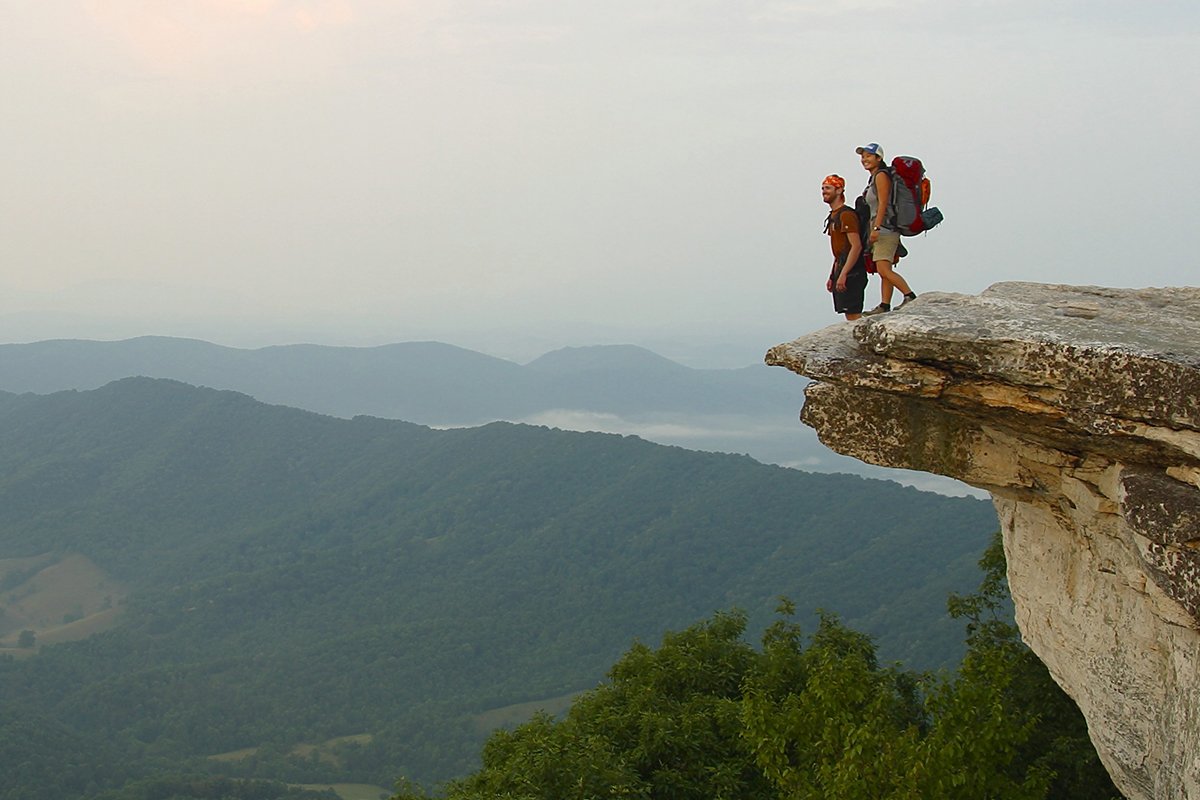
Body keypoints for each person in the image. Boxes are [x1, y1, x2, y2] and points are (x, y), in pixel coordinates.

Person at [856, 143, 916, 315]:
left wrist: (876, 227)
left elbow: (883, 203)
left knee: (883, 269)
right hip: (883, 228)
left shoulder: (881, 176)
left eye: (868, 156)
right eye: (863, 156)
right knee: (884, 268)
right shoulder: (875, 177)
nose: (864, 159)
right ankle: (884, 305)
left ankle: (910, 296)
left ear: (879, 158)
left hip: (885, 229)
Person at [821, 174, 866, 321]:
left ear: (839, 190)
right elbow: (838, 249)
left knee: (853, 312)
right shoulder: (834, 215)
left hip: (852, 268)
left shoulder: (846, 215)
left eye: (828, 188)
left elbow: (856, 246)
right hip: (841, 265)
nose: (824, 191)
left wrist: (844, 273)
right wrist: (833, 275)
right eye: (823, 188)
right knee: (848, 311)